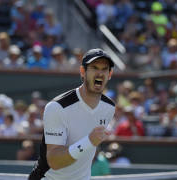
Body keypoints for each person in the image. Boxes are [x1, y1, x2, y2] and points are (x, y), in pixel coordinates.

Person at [29, 48, 115, 180]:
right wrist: (89, 141)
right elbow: (54, 161)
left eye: (104, 69)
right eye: (94, 68)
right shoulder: (57, 107)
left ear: (110, 74)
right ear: (82, 72)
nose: (100, 73)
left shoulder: (109, 108)